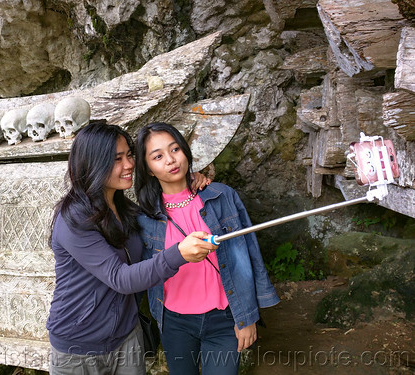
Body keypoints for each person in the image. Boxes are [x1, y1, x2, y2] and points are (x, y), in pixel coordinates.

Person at [46, 121, 217, 375]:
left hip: (127, 337)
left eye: (129, 155)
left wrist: (187, 182)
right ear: (93, 164)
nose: (128, 165)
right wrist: (179, 253)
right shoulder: (74, 219)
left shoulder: (127, 211)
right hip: (78, 346)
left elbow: (165, 215)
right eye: (117, 159)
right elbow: (121, 278)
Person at [134, 122, 280, 375]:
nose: (170, 160)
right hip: (174, 323)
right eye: (158, 156)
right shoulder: (144, 217)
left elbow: (249, 255)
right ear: (147, 169)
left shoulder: (221, 197)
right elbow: (140, 271)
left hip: (224, 318)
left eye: (175, 149)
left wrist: (247, 316)